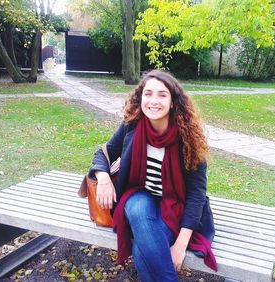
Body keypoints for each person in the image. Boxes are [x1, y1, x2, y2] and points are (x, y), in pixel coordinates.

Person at [87, 70, 217, 281]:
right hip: (140, 197)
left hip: (176, 206)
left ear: (173, 101)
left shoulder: (189, 139)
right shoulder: (132, 126)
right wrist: (102, 178)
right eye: (148, 94)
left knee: (142, 248)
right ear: (141, 98)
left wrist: (180, 245)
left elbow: (196, 195)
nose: (153, 101)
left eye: (162, 95)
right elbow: (103, 153)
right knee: (137, 207)